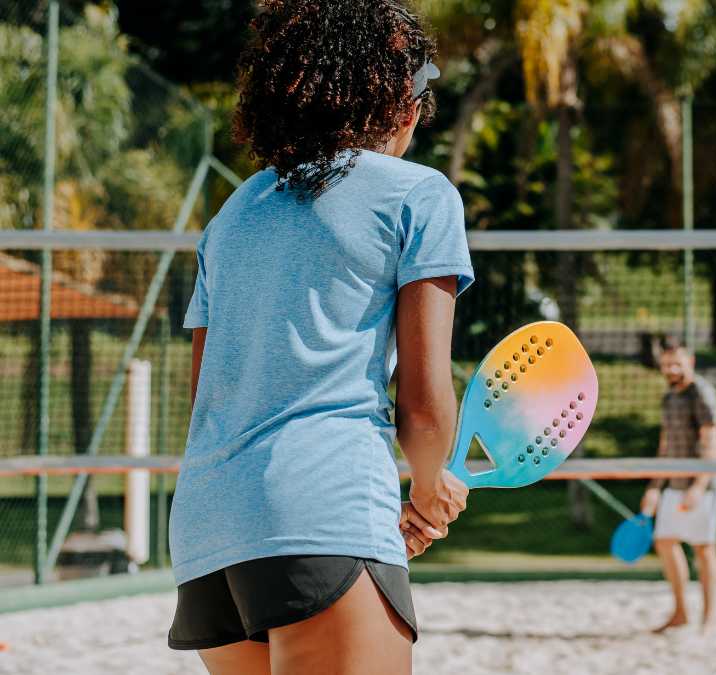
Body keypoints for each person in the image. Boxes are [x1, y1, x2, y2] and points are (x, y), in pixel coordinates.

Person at [165, 3, 473, 673]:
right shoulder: (419, 195)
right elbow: (422, 403)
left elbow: (210, 399)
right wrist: (428, 485)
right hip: (321, 510)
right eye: (421, 87)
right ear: (395, 99)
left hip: (209, 529)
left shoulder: (234, 213)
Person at [640, 336, 716, 633]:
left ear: (690, 362)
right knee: (664, 542)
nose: (671, 369)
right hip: (673, 483)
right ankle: (680, 612)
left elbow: (711, 441)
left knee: (704, 549)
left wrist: (699, 485)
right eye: (666, 364)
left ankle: (709, 617)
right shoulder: (669, 396)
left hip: (703, 485)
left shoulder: (701, 393)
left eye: (676, 363)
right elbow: (666, 446)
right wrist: (654, 487)